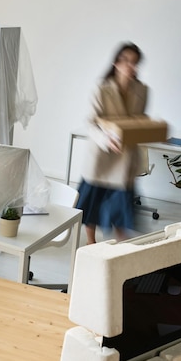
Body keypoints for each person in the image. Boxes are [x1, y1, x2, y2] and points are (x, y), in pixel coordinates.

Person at [76, 42, 148, 245]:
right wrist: (106, 140)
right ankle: (91, 243)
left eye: (134, 62)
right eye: (126, 61)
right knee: (92, 207)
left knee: (121, 211)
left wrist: (149, 127)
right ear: (116, 62)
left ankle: (120, 249)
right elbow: (91, 123)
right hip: (101, 156)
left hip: (125, 160)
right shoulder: (102, 88)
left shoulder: (142, 90)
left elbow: (138, 119)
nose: (130, 66)